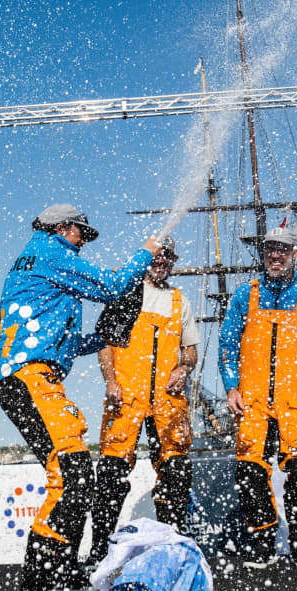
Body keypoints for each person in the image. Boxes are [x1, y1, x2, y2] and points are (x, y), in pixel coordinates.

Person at [0, 203, 161, 591]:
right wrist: (146, 254)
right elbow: (111, 287)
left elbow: (58, 339)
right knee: (72, 479)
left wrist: (99, 339)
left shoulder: (43, 262)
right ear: (63, 227)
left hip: (30, 375)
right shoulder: (51, 253)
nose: (84, 244)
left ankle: (57, 578)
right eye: (82, 235)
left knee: (74, 479)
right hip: (30, 377)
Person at [218, 225, 297, 569]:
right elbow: (227, 346)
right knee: (250, 474)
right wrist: (231, 385)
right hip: (252, 403)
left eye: (282, 249)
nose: (275, 255)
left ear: (294, 255)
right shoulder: (245, 296)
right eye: (270, 249)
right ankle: (262, 546)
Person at [89, 237, 201, 564]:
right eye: (157, 255)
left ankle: (171, 545)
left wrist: (184, 366)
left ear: (174, 260)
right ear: (148, 257)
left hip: (168, 402)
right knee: (110, 475)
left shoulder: (180, 301)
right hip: (125, 399)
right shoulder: (125, 293)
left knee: (175, 472)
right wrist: (110, 382)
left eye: (168, 257)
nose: (162, 261)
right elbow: (105, 344)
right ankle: (99, 553)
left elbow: (190, 350)